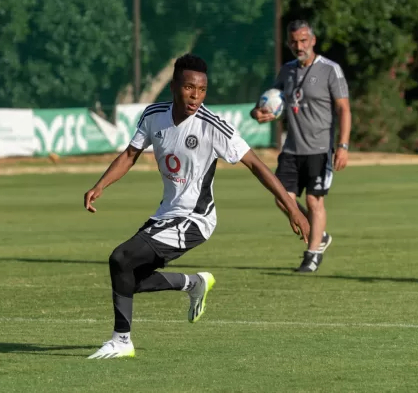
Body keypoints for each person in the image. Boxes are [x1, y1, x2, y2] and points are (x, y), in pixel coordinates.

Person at [83, 54, 310, 359]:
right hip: (167, 214)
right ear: (175, 85)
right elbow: (130, 154)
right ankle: (194, 283)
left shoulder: (213, 125)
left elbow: (256, 165)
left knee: (121, 257)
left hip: (195, 219)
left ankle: (122, 341)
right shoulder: (154, 115)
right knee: (129, 278)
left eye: (202, 90)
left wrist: (292, 208)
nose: (195, 96)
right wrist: (100, 185)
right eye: (189, 88)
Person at [251, 20, 351, 273]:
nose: (299, 45)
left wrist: (343, 145)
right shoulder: (287, 71)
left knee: (314, 201)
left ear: (313, 41)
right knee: (282, 199)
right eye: (294, 41)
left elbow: (343, 108)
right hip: (292, 149)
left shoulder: (330, 70)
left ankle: (312, 254)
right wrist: (258, 113)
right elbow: (269, 102)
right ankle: (321, 236)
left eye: (304, 40)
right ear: (288, 43)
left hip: (320, 150)